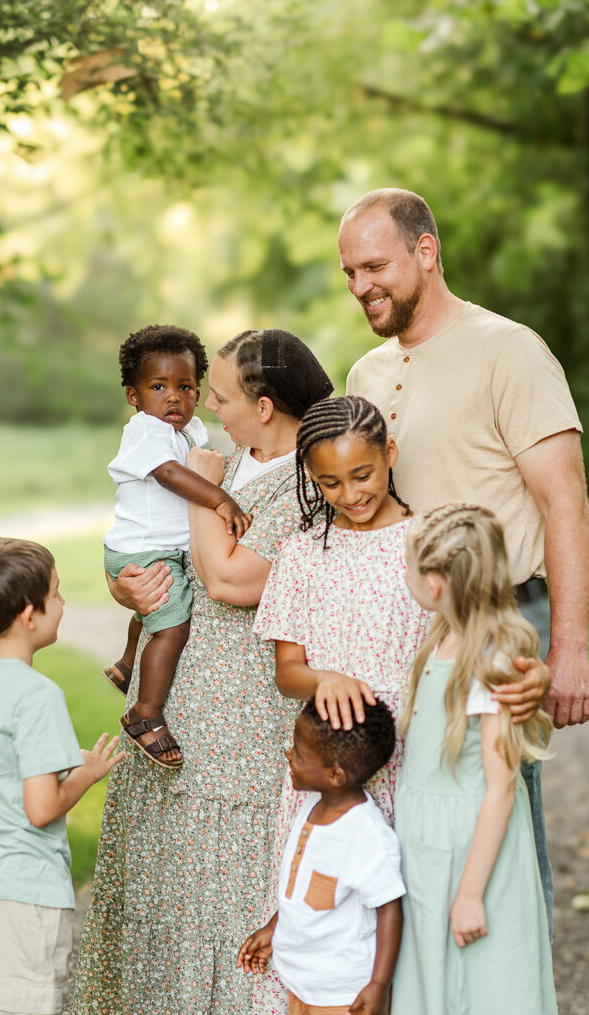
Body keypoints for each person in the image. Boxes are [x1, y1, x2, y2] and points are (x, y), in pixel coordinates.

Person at [250, 395, 547, 1015]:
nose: (350, 494)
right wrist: (323, 678)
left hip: (416, 769)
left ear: (390, 454)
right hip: (334, 771)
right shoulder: (303, 554)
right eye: (329, 482)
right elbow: (288, 671)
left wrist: (533, 672)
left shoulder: (427, 544)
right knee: (330, 930)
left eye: (362, 475)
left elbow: (482, 632)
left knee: (407, 938)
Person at [341, 187, 588, 927]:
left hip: (503, 615)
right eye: (349, 272)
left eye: (375, 266)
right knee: (418, 818)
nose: (361, 287)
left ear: (426, 251)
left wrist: (572, 647)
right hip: (410, 624)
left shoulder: (507, 349)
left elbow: (564, 500)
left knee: (497, 813)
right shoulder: (364, 375)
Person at [73, 329, 334, 1015]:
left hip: (239, 720)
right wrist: (129, 588)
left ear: (267, 405)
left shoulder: (312, 481)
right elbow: (154, 546)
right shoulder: (222, 456)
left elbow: (226, 579)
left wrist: (204, 490)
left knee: (226, 890)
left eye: (216, 394)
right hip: (172, 710)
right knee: (164, 891)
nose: (203, 405)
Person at [0, 536, 124, 1015]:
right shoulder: (38, 695)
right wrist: (87, 773)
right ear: (28, 615)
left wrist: (46, 761)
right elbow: (40, 809)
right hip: (23, 890)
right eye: (56, 593)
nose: (63, 602)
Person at [392, 504, 557, 1015]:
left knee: (482, 983)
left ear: (437, 583)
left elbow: (502, 787)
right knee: (432, 979)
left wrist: (469, 894)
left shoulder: (492, 665)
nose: (407, 576)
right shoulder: (440, 641)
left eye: (412, 566)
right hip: (427, 839)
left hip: (472, 848)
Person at [101, 324, 251, 769]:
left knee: (152, 609)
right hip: (144, 549)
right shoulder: (145, 430)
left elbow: (213, 458)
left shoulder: (191, 431)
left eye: (185, 387)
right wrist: (220, 497)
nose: (174, 397)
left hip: (153, 546)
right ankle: (145, 714)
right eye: (158, 386)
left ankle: (129, 664)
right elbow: (170, 475)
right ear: (134, 396)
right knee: (172, 626)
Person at [237, 698, 405, 1015]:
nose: (289, 753)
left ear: (336, 774)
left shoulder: (365, 834)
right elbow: (305, 889)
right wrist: (274, 928)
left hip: (343, 991)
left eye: (299, 752)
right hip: (302, 981)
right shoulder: (312, 807)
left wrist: (379, 985)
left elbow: (390, 910)